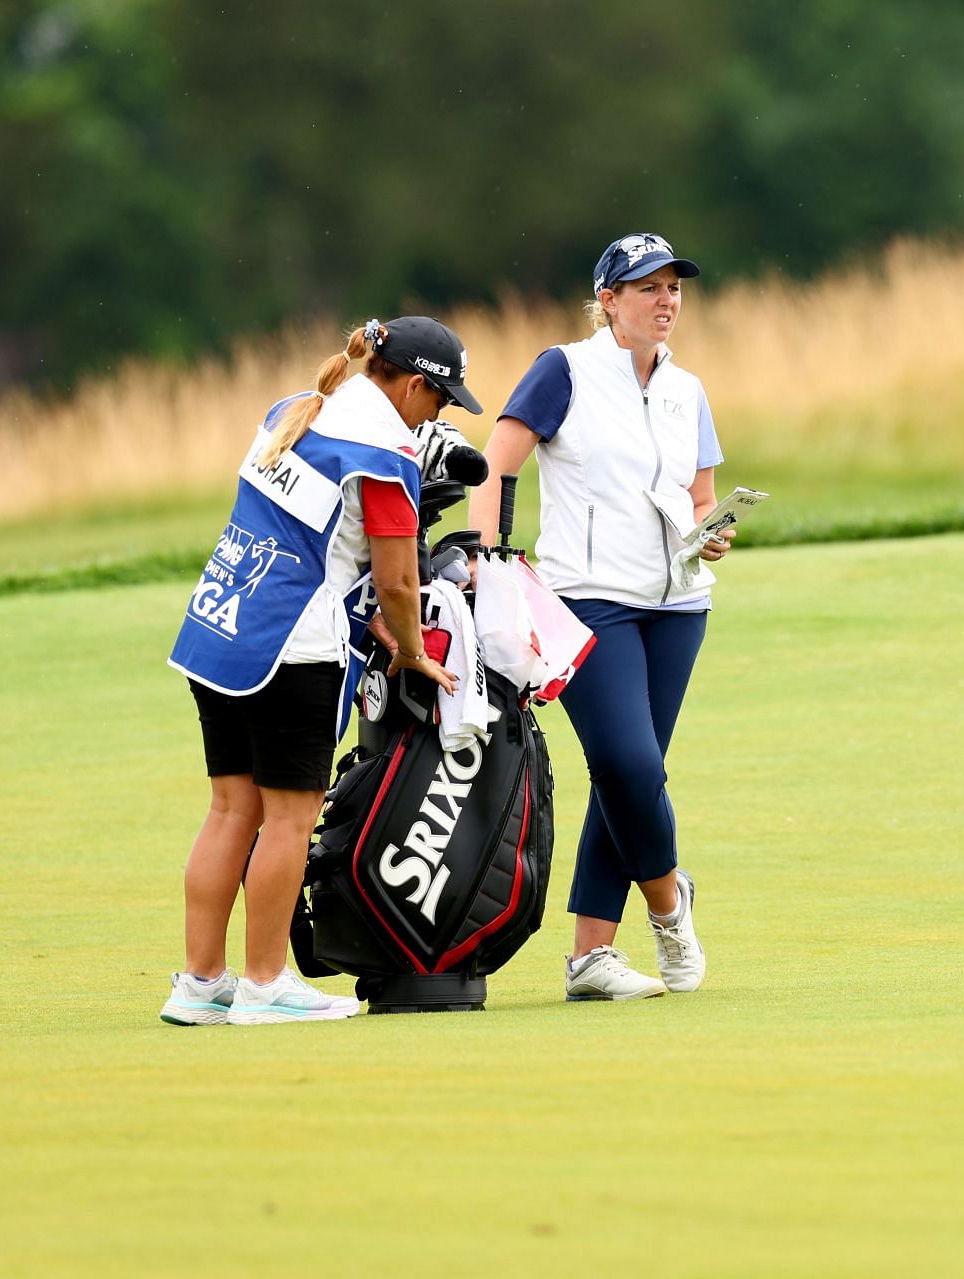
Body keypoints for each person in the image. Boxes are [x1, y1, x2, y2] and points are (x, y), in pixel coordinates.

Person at [160, 316, 481, 1025]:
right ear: (417, 385)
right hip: (289, 647)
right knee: (289, 817)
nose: (439, 415)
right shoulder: (384, 448)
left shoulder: (297, 408)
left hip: (219, 626)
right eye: (442, 400)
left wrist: (363, 612)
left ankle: (201, 982)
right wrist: (415, 648)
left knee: (230, 809)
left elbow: (311, 539)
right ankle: (266, 983)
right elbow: (399, 585)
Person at [467, 233, 731, 1002]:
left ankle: (590, 958)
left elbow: (701, 496)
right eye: (648, 287)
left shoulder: (688, 391)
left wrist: (713, 530)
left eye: (674, 286)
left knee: (630, 777)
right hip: (586, 602)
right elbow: (498, 460)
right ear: (608, 300)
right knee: (629, 766)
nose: (666, 300)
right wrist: (489, 561)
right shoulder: (565, 369)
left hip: (678, 604)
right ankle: (668, 903)